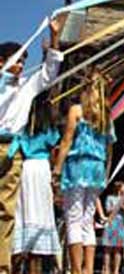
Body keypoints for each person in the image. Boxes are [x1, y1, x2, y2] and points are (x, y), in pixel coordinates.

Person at [0, 17, 64, 274]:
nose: (22, 65)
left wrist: (55, 38)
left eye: (25, 60)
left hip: (11, 153)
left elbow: (49, 73)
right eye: (18, 59)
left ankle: (3, 267)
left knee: (5, 211)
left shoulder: (26, 88)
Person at [53, 68, 116, 274]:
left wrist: (57, 169)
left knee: (73, 218)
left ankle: (77, 271)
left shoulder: (76, 111)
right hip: (96, 169)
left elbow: (66, 141)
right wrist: (105, 172)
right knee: (88, 220)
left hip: (77, 167)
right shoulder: (106, 116)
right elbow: (109, 147)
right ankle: (88, 270)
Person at [11, 101, 61, 274]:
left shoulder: (24, 128)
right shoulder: (49, 130)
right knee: (40, 214)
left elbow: (14, 146)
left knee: (23, 215)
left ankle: (14, 266)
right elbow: (55, 142)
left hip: (25, 170)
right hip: (42, 170)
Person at [100, 181, 124, 274]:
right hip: (112, 224)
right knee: (108, 249)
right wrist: (118, 206)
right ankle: (106, 269)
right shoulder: (110, 198)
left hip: (121, 225)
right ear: (119, 188)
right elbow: (108, 210)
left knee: (118, 249)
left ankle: (116, 270)